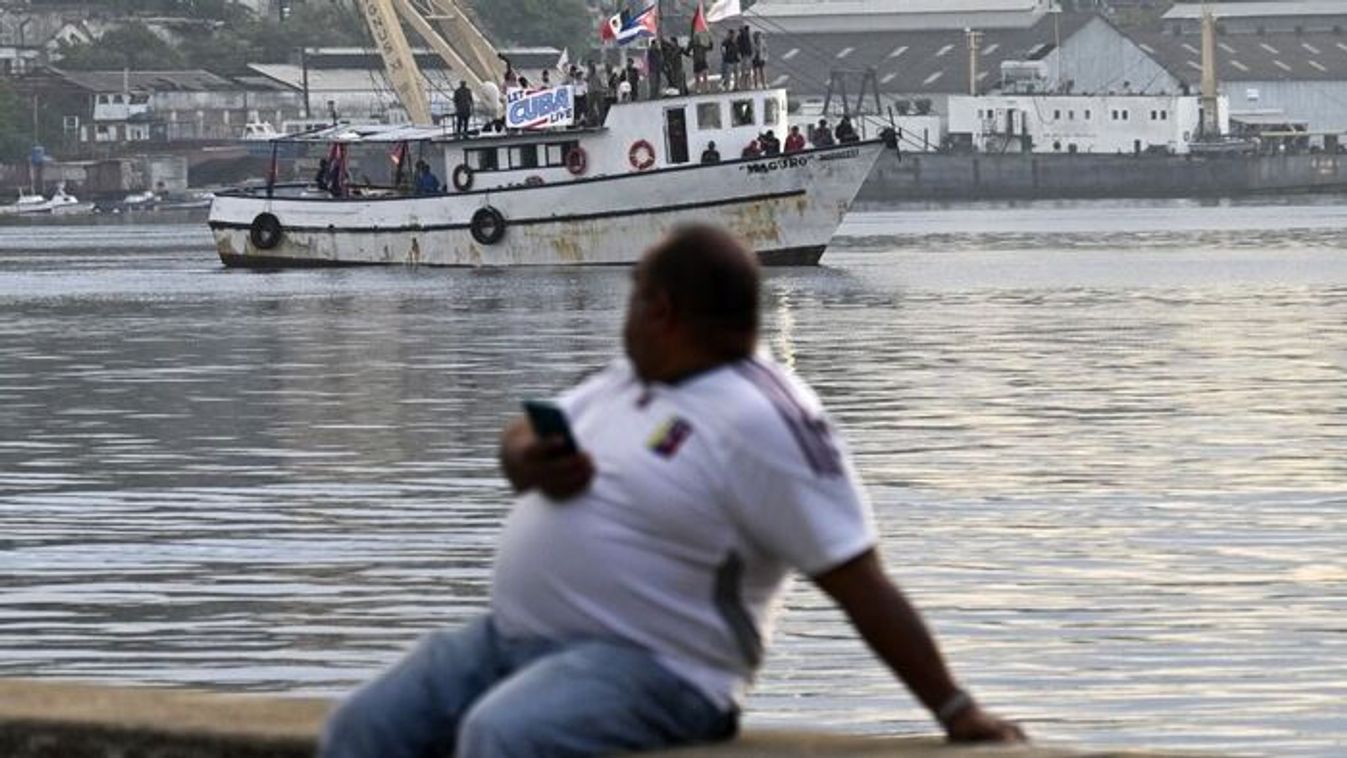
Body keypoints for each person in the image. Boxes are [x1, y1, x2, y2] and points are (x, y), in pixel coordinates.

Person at [319, 225, 1027, 757]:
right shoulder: (633, 376)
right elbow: (520, 433)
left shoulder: (766, 423)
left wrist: (954, 708)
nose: (624, 313)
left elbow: (859, 579)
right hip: (512, 640)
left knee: (504, 736)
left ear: (660, 309)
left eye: (633, 296)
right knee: (362, 730)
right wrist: (528, 457)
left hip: (658, 670)